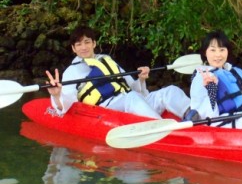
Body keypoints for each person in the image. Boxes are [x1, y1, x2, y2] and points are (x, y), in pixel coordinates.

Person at [45, 26, 190, 119]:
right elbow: (66, 104)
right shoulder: (72, 72)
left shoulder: (105, 59)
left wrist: (141, 79)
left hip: (129, 100)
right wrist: (57, 95)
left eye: (87, 42)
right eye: (79, 44)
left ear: (94, 43)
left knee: (170, 91)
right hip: (107, 109)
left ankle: (194, 116)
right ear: (73, 48)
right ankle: (164, 128)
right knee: (131, 98)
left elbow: (131, 86)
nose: (84, 47)